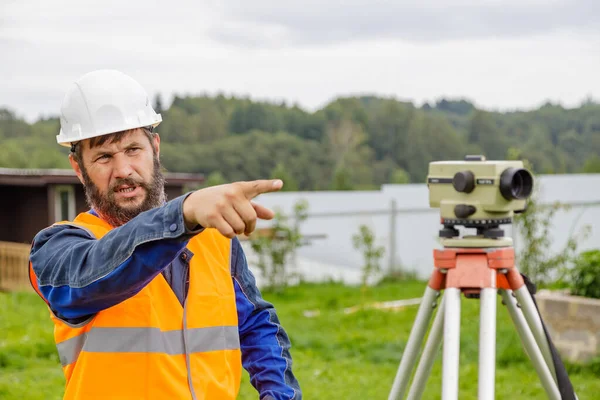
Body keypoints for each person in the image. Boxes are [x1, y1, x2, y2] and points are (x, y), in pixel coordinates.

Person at [28, 69, 302, 400]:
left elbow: (256, 325)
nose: (124, 170)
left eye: (133, 149)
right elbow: (95, 275)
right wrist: (182, 215)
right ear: (78, 168)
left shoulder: (215, 238)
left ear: (155, 147)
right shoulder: (58, 248)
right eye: (103, 157)